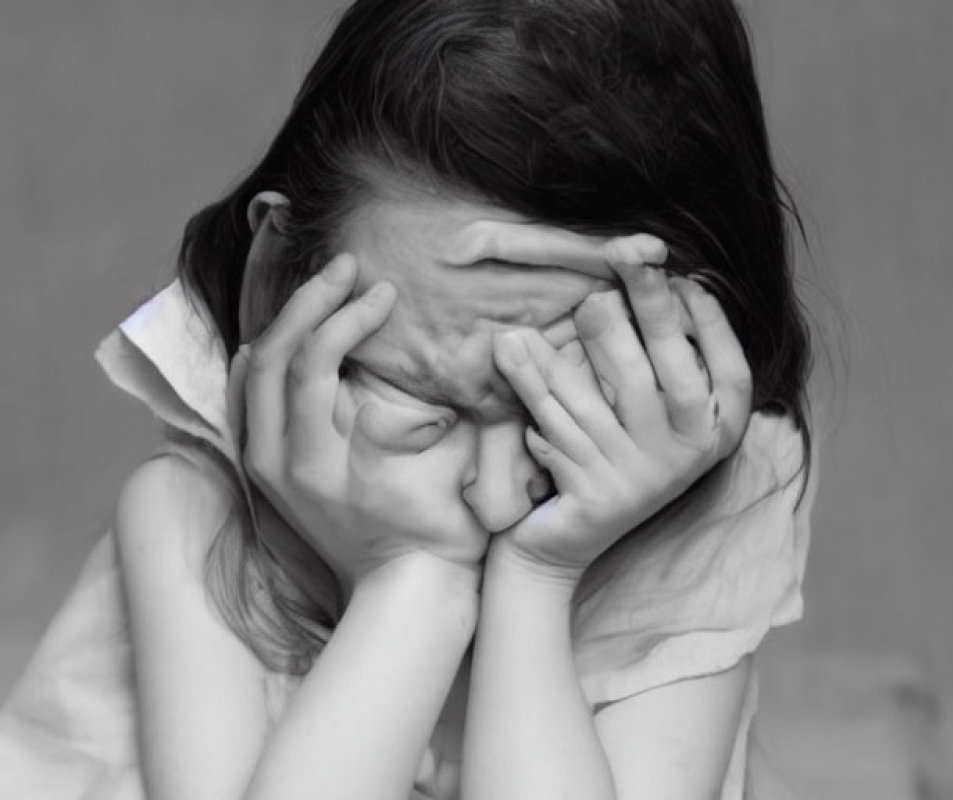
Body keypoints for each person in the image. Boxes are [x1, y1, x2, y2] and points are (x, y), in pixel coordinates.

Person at [0, 1, 814, 798]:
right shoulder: (194, 519)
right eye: (418, 398)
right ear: (278, 281)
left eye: (567, 415)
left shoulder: (699, 514)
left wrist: (539, 579)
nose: (496, 501)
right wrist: (410, 583)